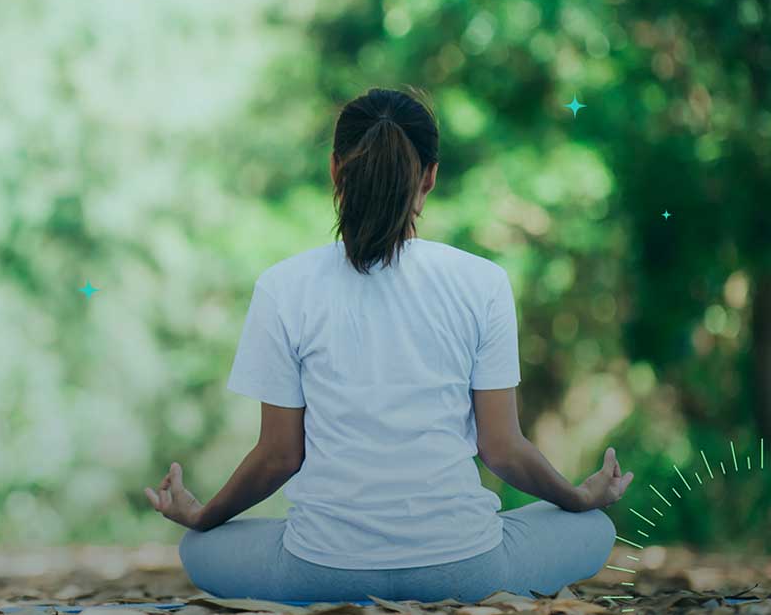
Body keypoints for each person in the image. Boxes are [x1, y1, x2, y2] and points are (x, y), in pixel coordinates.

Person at [143, 87, 633, 603]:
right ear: (430, 177)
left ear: (335, 170)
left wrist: (202, 515)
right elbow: (502, 450)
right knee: (593, 529)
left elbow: (279, 456)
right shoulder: (482, 282)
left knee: (198, 549)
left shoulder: (283, 286)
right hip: (466, 569)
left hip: (322, 572)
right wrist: (578, 498)